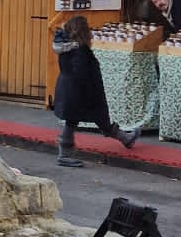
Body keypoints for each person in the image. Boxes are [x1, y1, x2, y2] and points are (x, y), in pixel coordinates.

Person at [51, 14, 138, 167]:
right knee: (78, 120)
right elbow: (82, 73)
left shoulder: (66, 46)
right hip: (82, 91)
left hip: (68, 88)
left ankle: (126, 138)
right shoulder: (79, 50)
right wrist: (92, 91)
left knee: (78, 120)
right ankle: (64, 155)